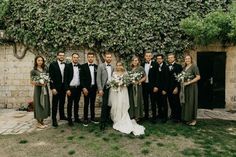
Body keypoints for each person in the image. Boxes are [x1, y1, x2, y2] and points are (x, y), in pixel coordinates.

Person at [109, 61, 145, 136]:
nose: (118, 67)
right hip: (116, 91)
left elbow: (128, 82)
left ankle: (122, 118)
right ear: (116, 66)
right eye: (117, 65)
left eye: (120, 65)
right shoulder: (114, 73)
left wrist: (123, 83)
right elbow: (111, 81)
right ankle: (116, 119)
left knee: (123, 104)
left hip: (123, 91)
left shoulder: (125, 73)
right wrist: (115, 84)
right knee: (116, 105)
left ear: (122, 66)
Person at [30, 56, 50, 129]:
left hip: (45, 88)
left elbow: (48, 78)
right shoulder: (33, 71)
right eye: (38, 60)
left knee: (45, 103)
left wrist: (46, 81)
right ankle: (38, 122)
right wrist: (39, 83)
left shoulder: (45, 69)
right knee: (38, 104)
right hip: (38, 90)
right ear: (36, 61)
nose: (40, 62)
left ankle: (42, 121)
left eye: (41, 60)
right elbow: (31, 82)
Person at [181, 54, 200, 126]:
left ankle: (194, 120)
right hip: (185, 87)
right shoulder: (184, 67)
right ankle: (187, 119)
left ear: (191, 59)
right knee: (186, 102)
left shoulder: (194, 67)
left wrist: (189, 82)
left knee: (192, 102)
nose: (187, 60)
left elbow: (198, 77)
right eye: (186, 59)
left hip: (192, 87)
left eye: (188, 58)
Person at [49, 51, 67, 127]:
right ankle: (54, 119)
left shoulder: (66, 65)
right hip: (56, 87)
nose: (61, 57)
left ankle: (62, 116)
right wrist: (52, 88)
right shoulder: (53, 65)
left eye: (63, 55)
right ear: (57, 56)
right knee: (55, 104)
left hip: (63, 87)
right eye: (60, 55)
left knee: (62, 102)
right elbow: (50, 77)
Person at [97, 52, 114, 130]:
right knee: (104, 105)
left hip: (112, 88)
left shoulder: (113, 67)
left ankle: (107, 119)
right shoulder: (101, 66)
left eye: (110, 57)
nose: (109, 58)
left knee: (109, 105)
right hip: (104, 88)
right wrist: (100, 89)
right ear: (105, 58)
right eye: (107, 57)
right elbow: (98, 79)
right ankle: (102, 123)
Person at [80, 52, 99, 126]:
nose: (90, 58)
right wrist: (84, 88)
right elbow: (81, 78)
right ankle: (85, 118)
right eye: (89, 57)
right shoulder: (83, 66)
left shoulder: (96, 67)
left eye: (92, 57)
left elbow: (97, 78)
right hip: (86, 88)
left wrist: (97, 88)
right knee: (86, 103)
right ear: (87, 58)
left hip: (94, 88)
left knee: (92, 103)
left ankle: (93, 118)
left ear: (93, 58)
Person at [64, 53, 82, 126]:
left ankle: (76, 118)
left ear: (78, 58)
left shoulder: (80, 66)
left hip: (78, 88)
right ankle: (69, 119)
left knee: (76, 104)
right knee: (70, 104)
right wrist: (67, 89)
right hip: (70, 88)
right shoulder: (67, 66)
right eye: (74, 57)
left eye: (77, 57)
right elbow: (65, 79)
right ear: (72, 58)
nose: (75, 59)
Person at [141, 50, 158, 123]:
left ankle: (154, 117)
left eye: (149, 56)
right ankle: (146, 116)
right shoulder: (142, 64)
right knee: (145, 101)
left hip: (152, 86)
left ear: (151, 56)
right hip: (145, 85)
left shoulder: (155, 64)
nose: (148, 57)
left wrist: (156, 86)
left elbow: (158, 76)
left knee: (153, 101)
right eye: (146, 56)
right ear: (145, 57)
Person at [128, 56, 146, 122]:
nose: (135, 62)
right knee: (131, 100)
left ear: (138, 61)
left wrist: (138, 81)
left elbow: (145, 77)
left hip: (138, 87)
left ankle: (138, 116)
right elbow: (127, 77)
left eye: (136, 60)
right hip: (131, 87)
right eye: (133, 60)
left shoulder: (140, 68)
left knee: (137, 100)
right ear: (132, 61)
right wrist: (130, 81)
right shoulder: (129, 68)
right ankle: (132, 115)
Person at [167, 53, 182, 122]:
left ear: (174, 58)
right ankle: (173, 115)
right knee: (171, 102)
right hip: (169, 88)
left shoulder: (178, 66)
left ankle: (178, 117)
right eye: (169, 58)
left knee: (176, 102)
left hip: (175, 87)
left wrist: (176, 87)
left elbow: (180, 78)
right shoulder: (167, 66)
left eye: (171, 57)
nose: (170, 59)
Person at [155, 54, 169, 123]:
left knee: (164, 103)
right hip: (158, 89)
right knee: (159, 102)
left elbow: (167, 79)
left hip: (163, 89)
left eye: (160, 58)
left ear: (162, 59)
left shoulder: (165, 67)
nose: (158, 60)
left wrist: (165, 89)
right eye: (157, 58)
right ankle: (160, 115)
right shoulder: (156, 66)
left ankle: (165, 117)